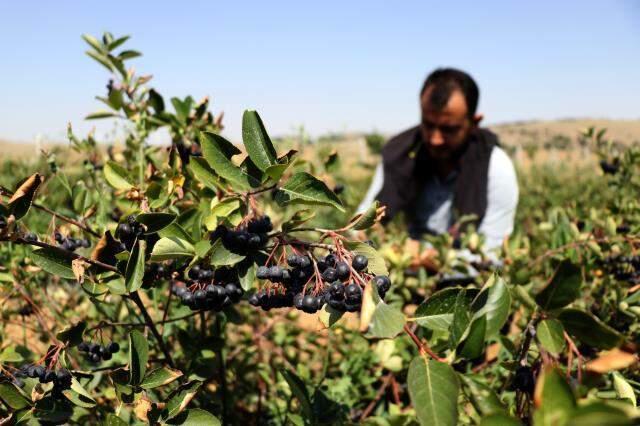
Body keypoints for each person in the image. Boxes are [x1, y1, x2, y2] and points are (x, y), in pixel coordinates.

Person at [358, 68, 518, 253]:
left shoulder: (496, 168)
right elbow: (362, 223)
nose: (435, 139)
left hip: (467, 278)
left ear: (474, 123)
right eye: (428, 125)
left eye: (448, 129)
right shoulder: (400, 153)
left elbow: (492, 252)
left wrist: (430, 258)